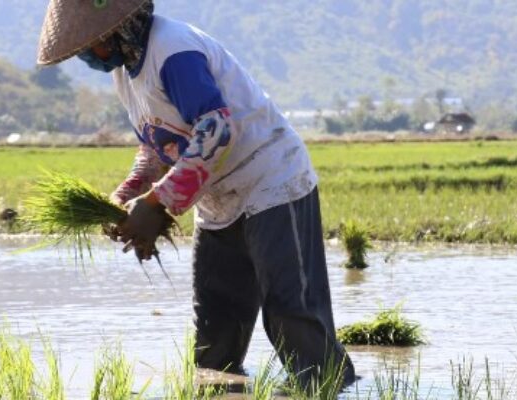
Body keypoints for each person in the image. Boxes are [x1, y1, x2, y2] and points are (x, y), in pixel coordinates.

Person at [37, 0, 355, 389]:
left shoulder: (174, 51)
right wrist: (125, 197)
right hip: (217, 195)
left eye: (92, 45)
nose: (88, 56)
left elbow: (217, 129)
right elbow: (157, 147)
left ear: (118, 30)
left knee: (291, 309)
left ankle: (325, 385)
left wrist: (157, 204)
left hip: (268, 179)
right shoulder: (125, 75)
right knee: (215, 326)